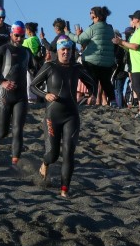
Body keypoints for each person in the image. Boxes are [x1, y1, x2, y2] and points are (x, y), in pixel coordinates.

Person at [30, 36, 95, 198]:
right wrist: (46, 95)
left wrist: (89, 95)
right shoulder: (49, 66)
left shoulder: (76, 67)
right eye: (62, 50)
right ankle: (45, 164)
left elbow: (92, 84)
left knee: (68, 153)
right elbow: (33, 86)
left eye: (68, 50)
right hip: (52, 116)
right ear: (58, 51)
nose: (65, 52)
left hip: (71, 116)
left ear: (72, 51)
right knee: (52, 154)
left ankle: (64, 189)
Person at [0, 22, 33, 165]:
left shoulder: (26, 52)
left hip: (21, 96)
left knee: (18, 129)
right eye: (16, 35)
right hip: (5, 95)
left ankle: (15, 163)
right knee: (3, 131)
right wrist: (2, 82)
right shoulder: (3, 49)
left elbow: (34, 69)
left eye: (22, 36)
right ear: (11, 34)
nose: (19, 38)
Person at [66, 6, 116, 106]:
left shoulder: (93, 28)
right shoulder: (110, 29)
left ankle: (92, 98)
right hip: (107, 61)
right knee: (106, 82)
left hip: (91, 60)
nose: (90, 15)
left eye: (91, 14)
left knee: (92, 81)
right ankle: (114, 101)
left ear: (97, 17)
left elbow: (79, 39)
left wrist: (68, 33)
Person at [112, 10, 140, 118]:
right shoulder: (138, 31)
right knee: (138, 86)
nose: (131, 20)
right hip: (138, 63)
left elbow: (135, 46)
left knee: (138, 86)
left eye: (133, 18)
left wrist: (121, 42)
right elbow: (131, 47)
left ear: (137, 20)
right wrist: (121, 43)